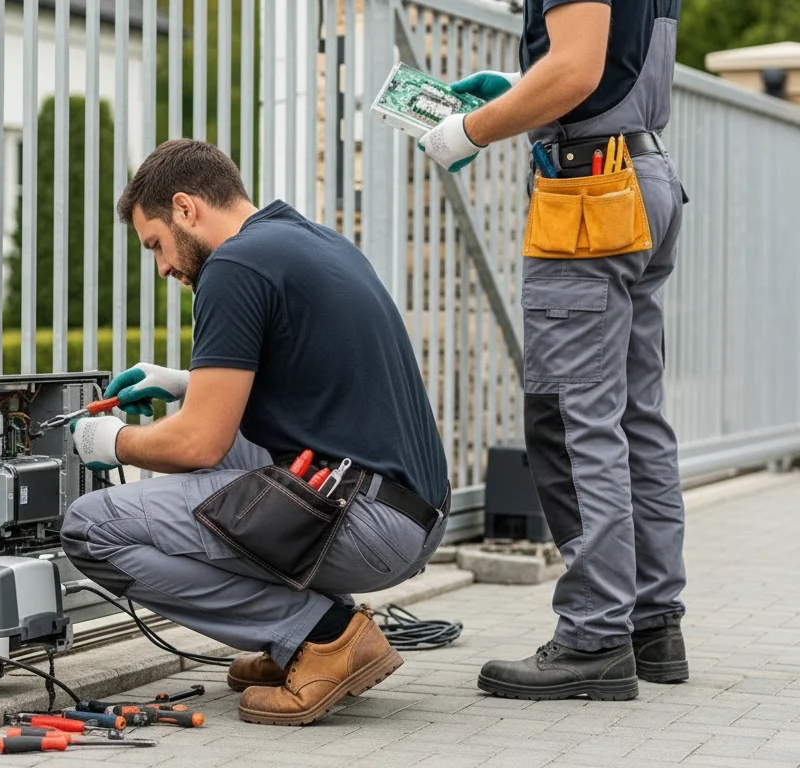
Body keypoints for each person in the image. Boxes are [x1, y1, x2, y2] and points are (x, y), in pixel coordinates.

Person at [60, 138, 451, 726]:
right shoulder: (308, 240)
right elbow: (308, 381)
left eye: (156, 244)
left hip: (368, 522)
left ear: (186, 208)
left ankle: (321, 634)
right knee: (226, 447)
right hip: (411, 511)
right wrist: (184, 384)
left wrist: (110, 441)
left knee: (91, 527)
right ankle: (305, 636)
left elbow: (199, 444)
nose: (162, 267)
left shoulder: (233, 267)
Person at [419, 0, 689, 701]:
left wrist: (467, 130)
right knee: (635, 417)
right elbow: (614, 65)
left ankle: (594, 637)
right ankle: (653, 626)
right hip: (643, 175)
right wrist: (520, 90)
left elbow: (575, 71)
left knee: (571, 418)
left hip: (588, 194)